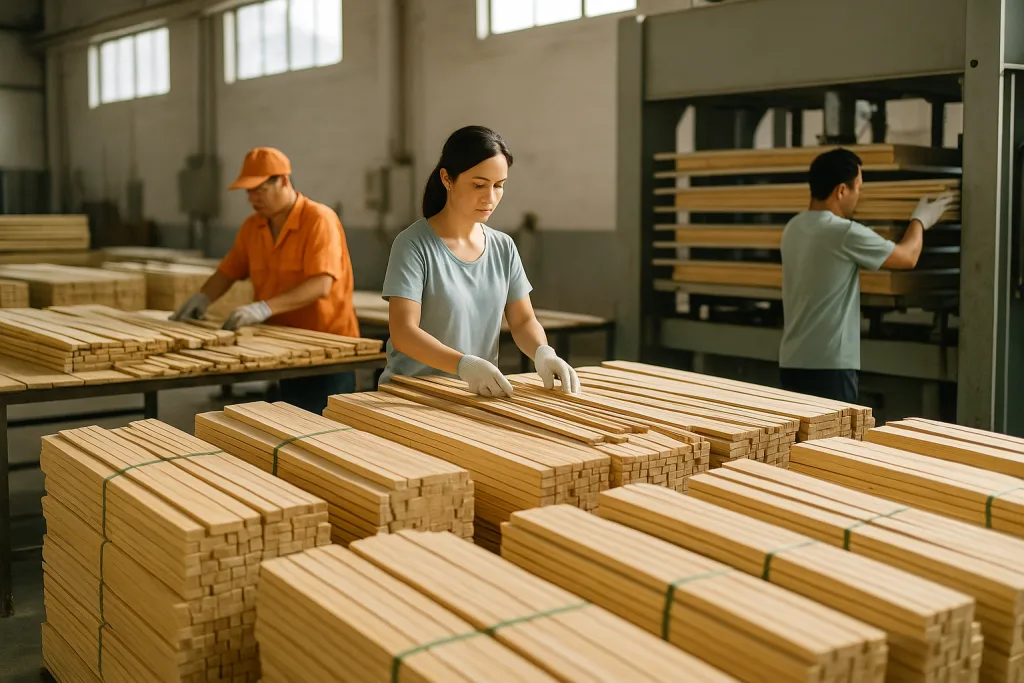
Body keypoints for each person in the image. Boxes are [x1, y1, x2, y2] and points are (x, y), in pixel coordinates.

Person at [379, 125, 579, 397]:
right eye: (479, 185)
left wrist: (542, 352)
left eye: (499, 186)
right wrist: (463, 364)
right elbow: (403, 332)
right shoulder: (413, 244)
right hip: (410, 397)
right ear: (447, 179)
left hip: (474, 397)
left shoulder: (503, 247)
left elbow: (522, 321)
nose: (490, 197)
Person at [171, 146, 359, 412]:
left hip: (328, 348)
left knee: (322, 431)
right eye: (248, 191)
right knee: (291, 424)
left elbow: (321, 284)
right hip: (283, 347)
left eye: (259, 189)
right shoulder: (253, 227)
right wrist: (203, 298)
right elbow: (228, 271)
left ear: (283, 181)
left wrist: (264, 307)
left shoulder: (319, 220)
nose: (252, 198)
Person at [778, 148, 955, 403]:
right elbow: (907, 257)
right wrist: (920, 220)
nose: (860, 196)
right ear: (841, 191)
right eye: (858, 189)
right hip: (830, 368)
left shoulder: (793, 228)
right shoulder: (843, 233)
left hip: (792, 361)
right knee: (835, 442)